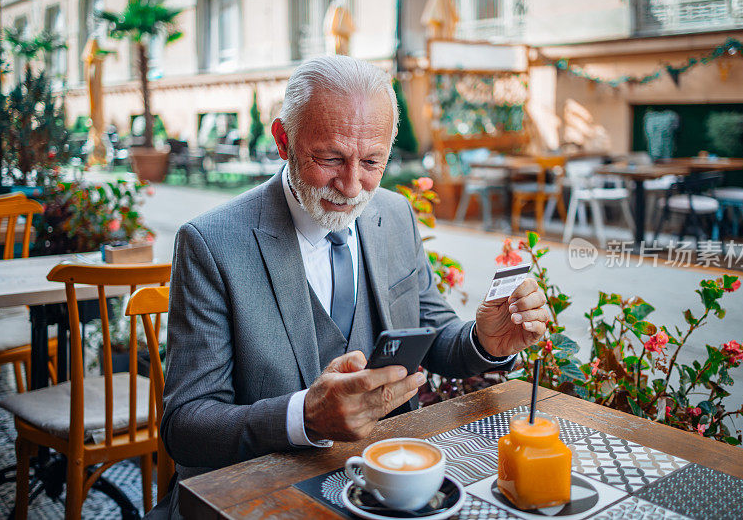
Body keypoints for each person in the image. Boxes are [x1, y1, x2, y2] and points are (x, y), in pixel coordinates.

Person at [156, 55, 547, 517]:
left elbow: (433, 335)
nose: (352, 185)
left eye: (372, 161)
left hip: (387, 486)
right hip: (260, 496)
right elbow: (185, 425)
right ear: (283, 140)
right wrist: (303, 417)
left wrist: (486, 341)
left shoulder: (394, 215)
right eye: (329, 158)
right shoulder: (211, 243)